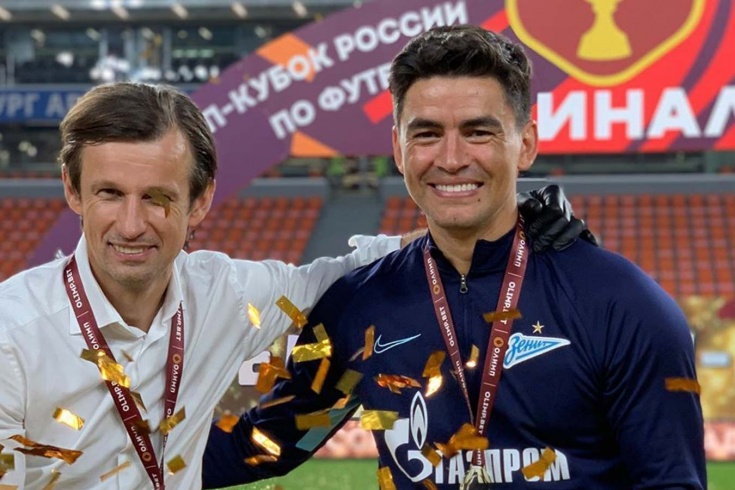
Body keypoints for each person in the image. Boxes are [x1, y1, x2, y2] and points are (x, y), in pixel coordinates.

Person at [0, 82, 584, 489]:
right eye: (109, 194)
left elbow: (352, 271)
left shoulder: (223, 293)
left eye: (158, 198)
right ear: (72, 191)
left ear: (200, 201)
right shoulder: (12, 335)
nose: (131, 225)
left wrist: (513, 226)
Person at [203, 26, 706, 489]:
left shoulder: (623, 305)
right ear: (398, 149)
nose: (450, 159)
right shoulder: (356, 307)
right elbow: (265, 447)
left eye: (478, 132)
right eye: (426, 134)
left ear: (526, 144)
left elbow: (672, 483)